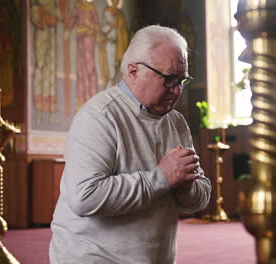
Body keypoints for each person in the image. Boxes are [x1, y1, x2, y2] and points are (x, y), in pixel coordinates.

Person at [49, 25, 212, 263]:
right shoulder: (100, 115)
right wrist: (162, 178)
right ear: (133, 71)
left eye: (181, 80)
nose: (177, 91)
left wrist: (184, 186)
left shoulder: (176, 122)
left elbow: (199, 199)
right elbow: (85, 197)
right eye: (168, 79)